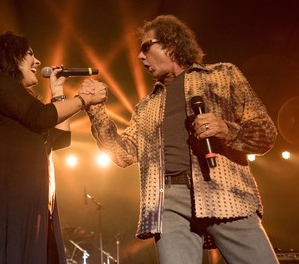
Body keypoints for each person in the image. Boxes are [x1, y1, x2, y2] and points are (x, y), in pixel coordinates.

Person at [84, 15, 279, 263]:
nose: (140, 57)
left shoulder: (223, 75)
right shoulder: (146, 108)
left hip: (225, 192)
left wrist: (227, 130)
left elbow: (265, 133)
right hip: (169, 202)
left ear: (171, 44)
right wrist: (96, 110)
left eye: (146, 47)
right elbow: (122, 154)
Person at [0, 31, 107, 264]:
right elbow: (41, 116)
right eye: (30, 54)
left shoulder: (22, 105)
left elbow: (60, 137)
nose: (38, 62)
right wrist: (83, 99)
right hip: (7, 206)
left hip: (36, 207)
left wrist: (58, 92)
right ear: (10, 56)